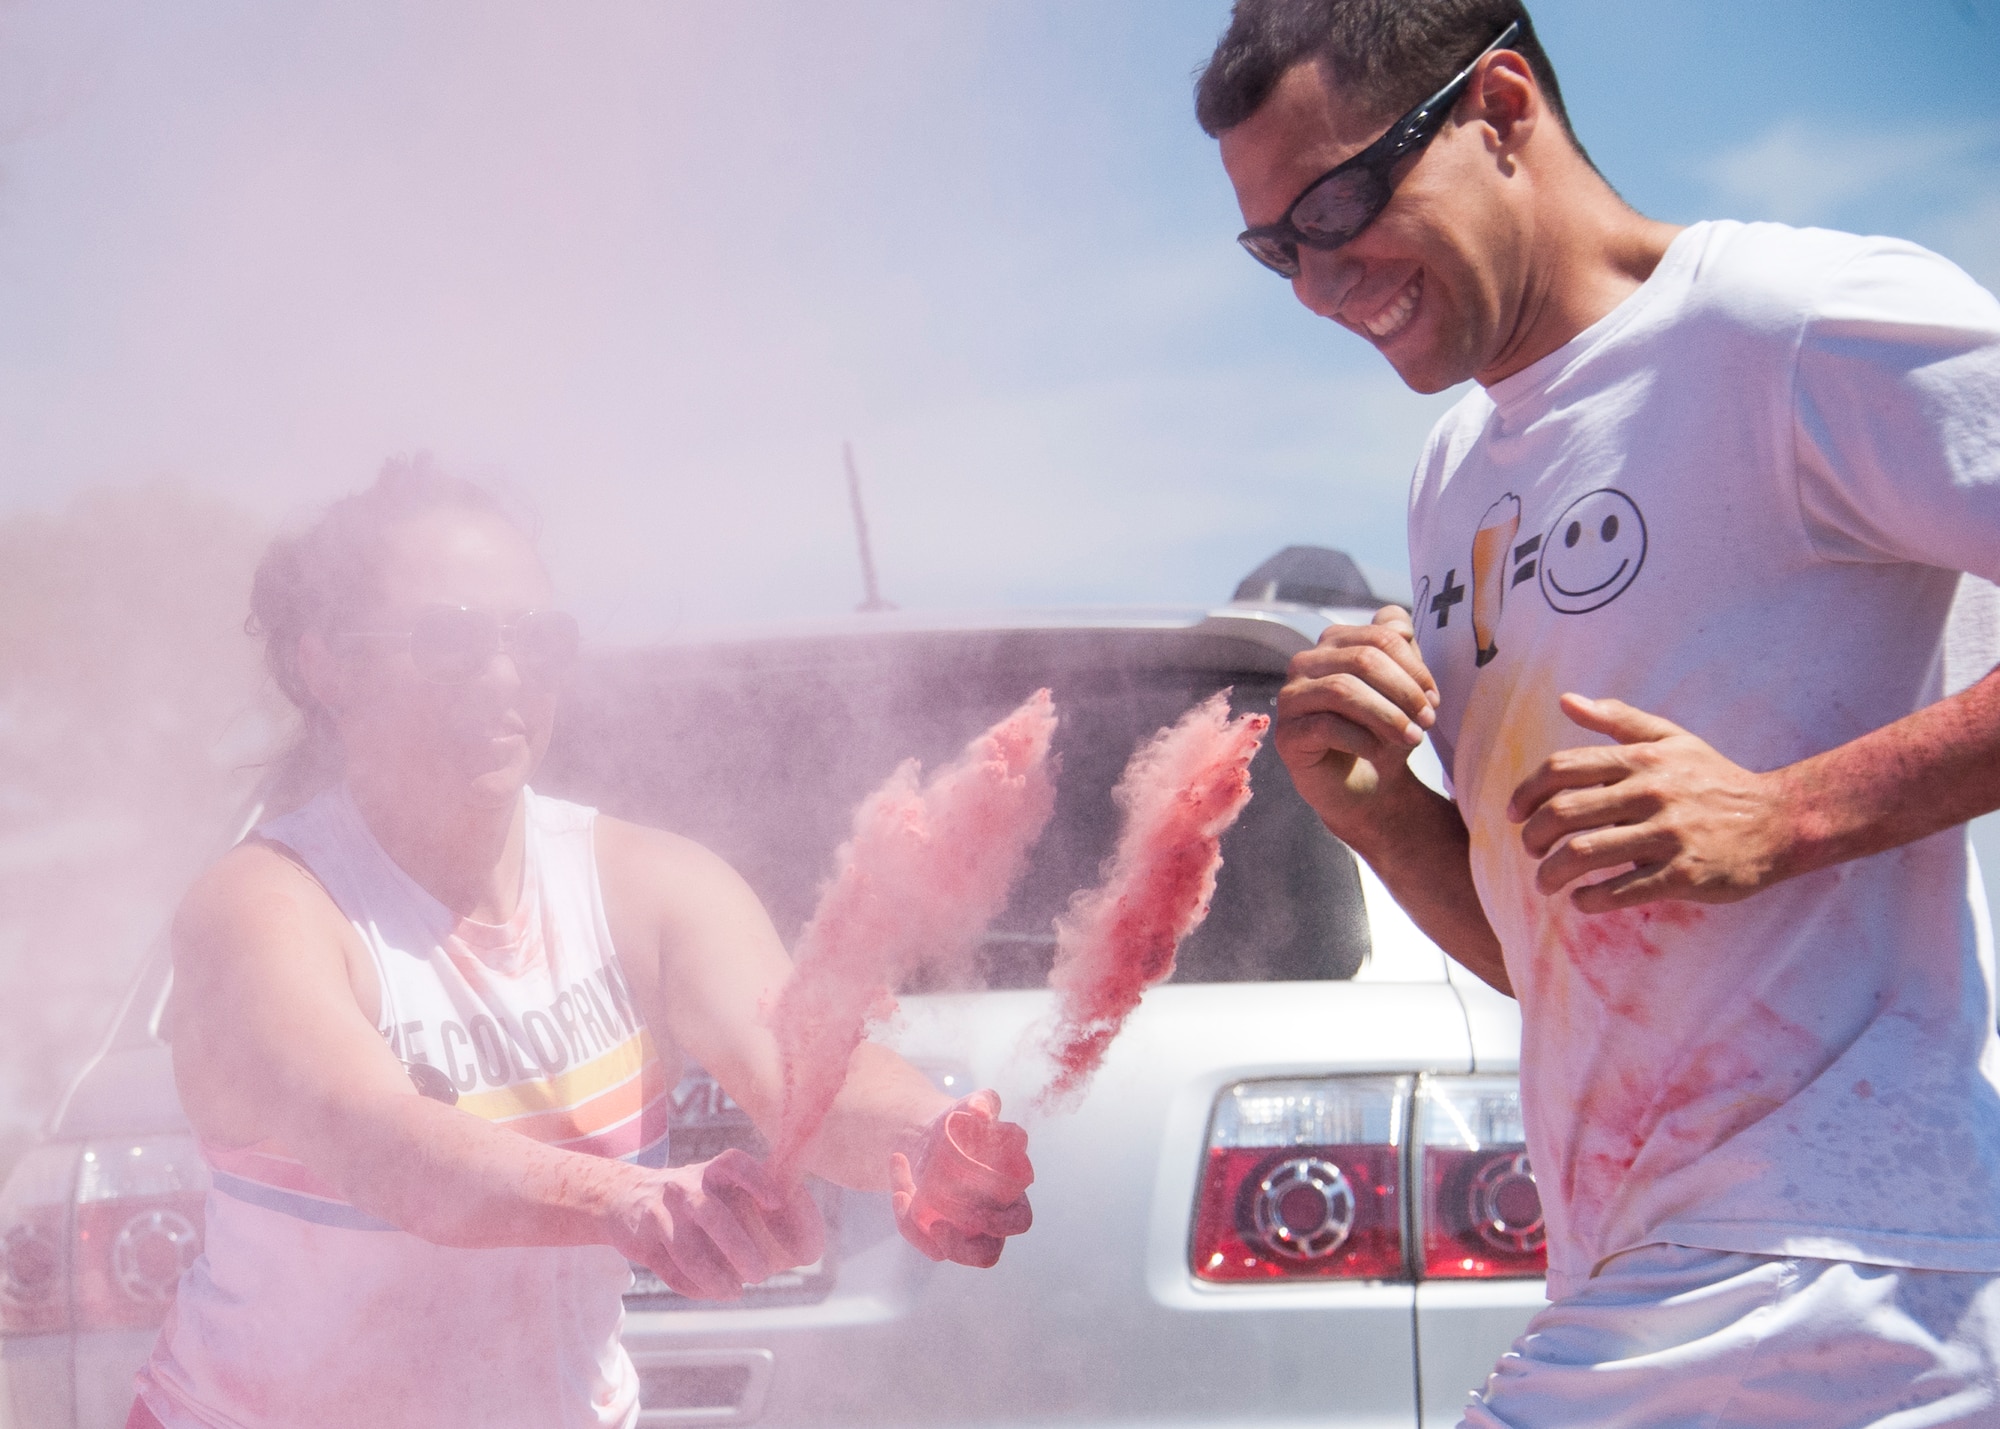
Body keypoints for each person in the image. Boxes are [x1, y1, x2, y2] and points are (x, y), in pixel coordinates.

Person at [1198, 1, 2000, 1423]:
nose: (1319, 285)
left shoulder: (1789, 326)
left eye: (1337, 202)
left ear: (1500, 104)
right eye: (1277, 248)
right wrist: (1374, 812)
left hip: (1868, 1281)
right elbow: (1560, 953)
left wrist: (1785, 812)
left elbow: (1750, 835)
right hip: (1636, 1281)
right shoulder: (1453, 474)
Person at [129, 464, 1033, 1429]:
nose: (505, 674)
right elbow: (388, 1149)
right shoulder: (266, 904)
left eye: (537, 638)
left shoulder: (650, 885)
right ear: (327, 665)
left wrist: (925, 1137)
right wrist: (631, 1200)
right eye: (449, 637)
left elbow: (810, 1068)